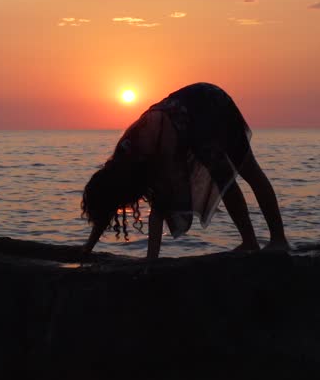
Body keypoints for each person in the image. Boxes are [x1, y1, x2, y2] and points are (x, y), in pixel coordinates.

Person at [80, 82, 289, 260]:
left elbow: (159, 208)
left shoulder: (148, 151)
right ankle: (250, 242)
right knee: (223, 181)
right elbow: (108, 206)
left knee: (248, 171)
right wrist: (87, 248)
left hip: (210, 105)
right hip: (189, 121)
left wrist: (151, 262)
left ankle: (279, 239)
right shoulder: (121, 164)